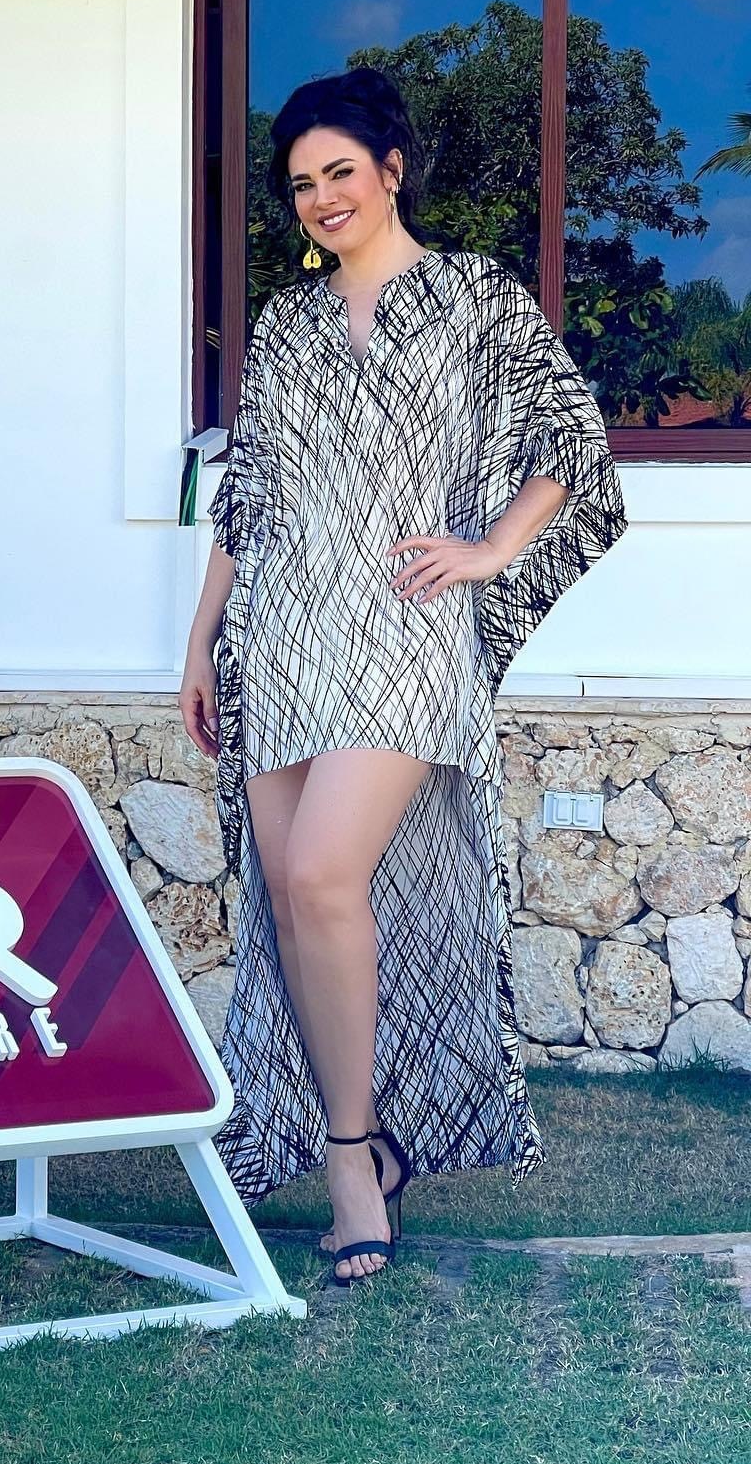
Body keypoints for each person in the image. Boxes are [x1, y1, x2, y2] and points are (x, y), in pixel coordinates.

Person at [178, 67, 628, 1286]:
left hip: (406, 628)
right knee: (292, 896)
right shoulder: (287, 325)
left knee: (324, 872)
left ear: (391, 169)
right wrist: (201, 643)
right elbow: (249, 494)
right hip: (282, 633)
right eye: (299, 184)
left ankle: (348, 1161)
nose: (321, 197)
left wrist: (490, 550)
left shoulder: (476, 298)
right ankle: (365, 1139)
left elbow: (571, 438)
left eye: (340, 171)